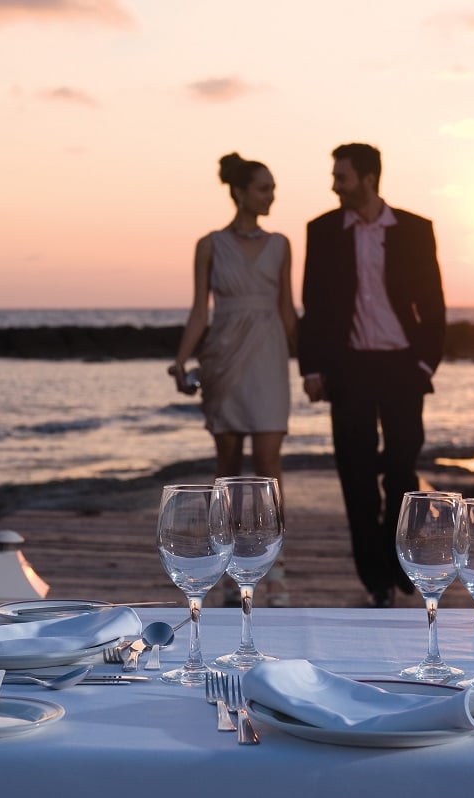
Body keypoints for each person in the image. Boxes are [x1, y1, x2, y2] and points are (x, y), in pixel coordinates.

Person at [297, 142, 447, 608]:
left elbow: (434, 301)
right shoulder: (322, 231)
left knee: (402, 467)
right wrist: (314, 368)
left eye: (341, 177)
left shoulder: (415, 229)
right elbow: (314, 305)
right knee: (356, 476)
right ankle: (375, 577)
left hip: (403, 365)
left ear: (367, 178)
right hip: (349, 368)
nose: (334, 185)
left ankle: (399, 559)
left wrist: (425, 362)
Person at [170, 152, 297, 606]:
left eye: (273, 188)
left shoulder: (282, 243)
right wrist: (182, 360)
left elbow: (286, 308)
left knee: (269, 465)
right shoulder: (209, 244)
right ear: (240, 192)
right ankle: (224, 569)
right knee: (226, 469)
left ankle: (274, 570)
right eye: (264, 188)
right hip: (222, 354)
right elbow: (198, 311)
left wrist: (310, 365)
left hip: (268, 355)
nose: (272, 195)